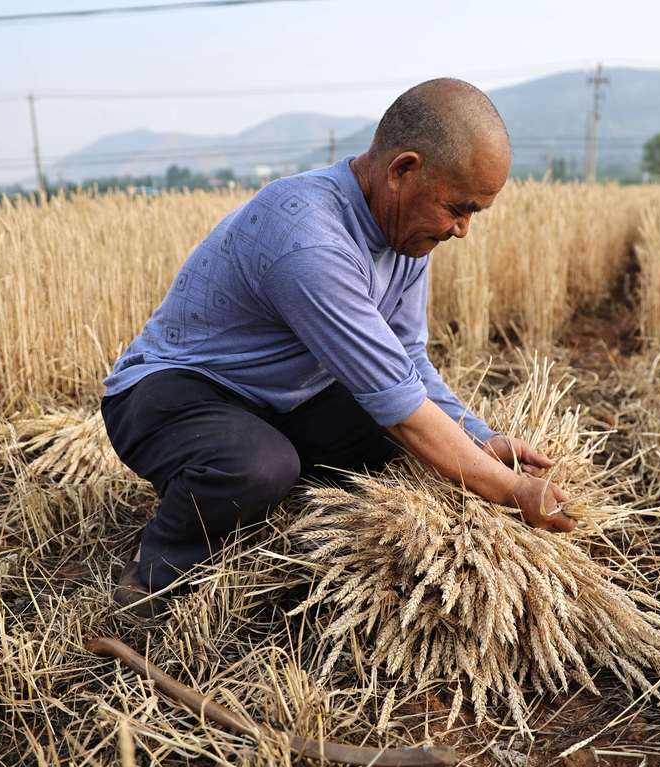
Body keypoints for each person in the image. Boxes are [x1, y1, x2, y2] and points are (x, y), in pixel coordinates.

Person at [101, 78, 576, 619]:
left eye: (475, 214)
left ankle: (267, 501)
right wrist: (511, 490)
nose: (462, 230)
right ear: (403, 170)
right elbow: (401, 408)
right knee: (260, 466)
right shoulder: (309, 238)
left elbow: (406, 361)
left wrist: (480, 437)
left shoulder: (407, 236)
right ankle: (156, 570)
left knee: (400, 438)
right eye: (458, 208)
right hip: (172, 394)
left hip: (278, 398)